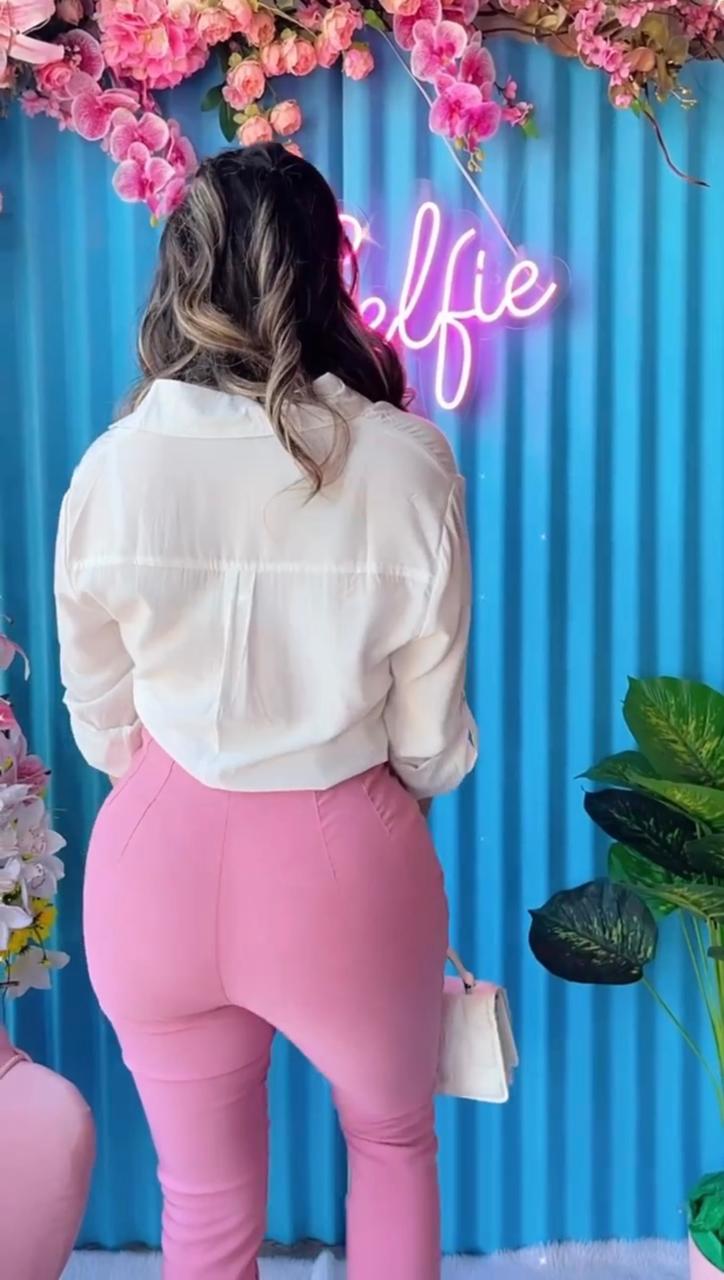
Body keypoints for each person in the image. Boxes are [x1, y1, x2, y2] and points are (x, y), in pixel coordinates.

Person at [54, 142, 477, 1280]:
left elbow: (101, 719)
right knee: (392, 1143)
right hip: (343, 860)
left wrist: (180, 779)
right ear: (322, 268)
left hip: (155, 863)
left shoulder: (112, 468)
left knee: (200, 1203)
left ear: (182, 271)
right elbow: (429, 743)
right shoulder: (408, 463)